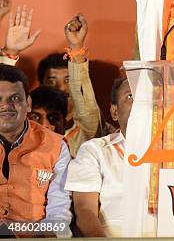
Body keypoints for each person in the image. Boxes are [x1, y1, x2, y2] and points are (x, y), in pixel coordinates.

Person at [0, 64, 71, 228]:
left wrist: (47, 237)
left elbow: (59, 209)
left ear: (28, 103)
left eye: (15, 98)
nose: (5, 106)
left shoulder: (56, 146)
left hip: (34, 236)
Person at [65, 74, 133, 237]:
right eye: (130, 96)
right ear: (114, 112)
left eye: (148, 96)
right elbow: (85, 211)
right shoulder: (94, 151)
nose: (142, 103)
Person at [37, 14, 102, 157]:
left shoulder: (87, 130)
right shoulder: (30, 131)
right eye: (52, 82)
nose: (61, 88)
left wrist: (76, 49)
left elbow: (87, 112)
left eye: (68, 80)